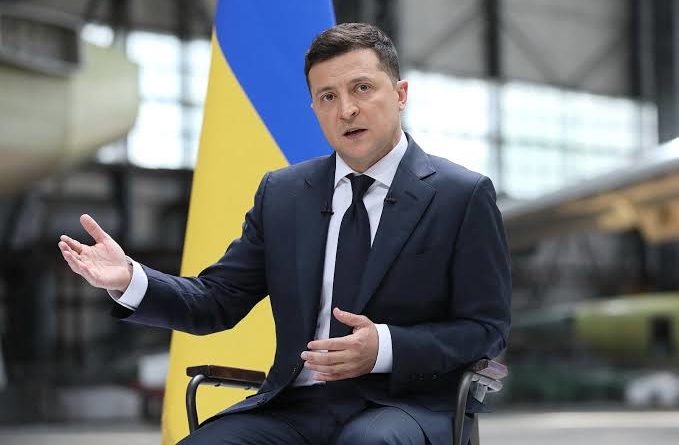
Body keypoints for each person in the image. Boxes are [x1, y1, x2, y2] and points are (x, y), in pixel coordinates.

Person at [58, 22, 511, 445]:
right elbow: (217, 300)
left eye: (362, 88)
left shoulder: (461, 195)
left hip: (404, 404)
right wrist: (130, 279)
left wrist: (385, 348)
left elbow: (486, 330)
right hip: (296, 405)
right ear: (314, 109)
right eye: (327, 97)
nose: (346, 109)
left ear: (400, 94)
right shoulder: (284, 194)